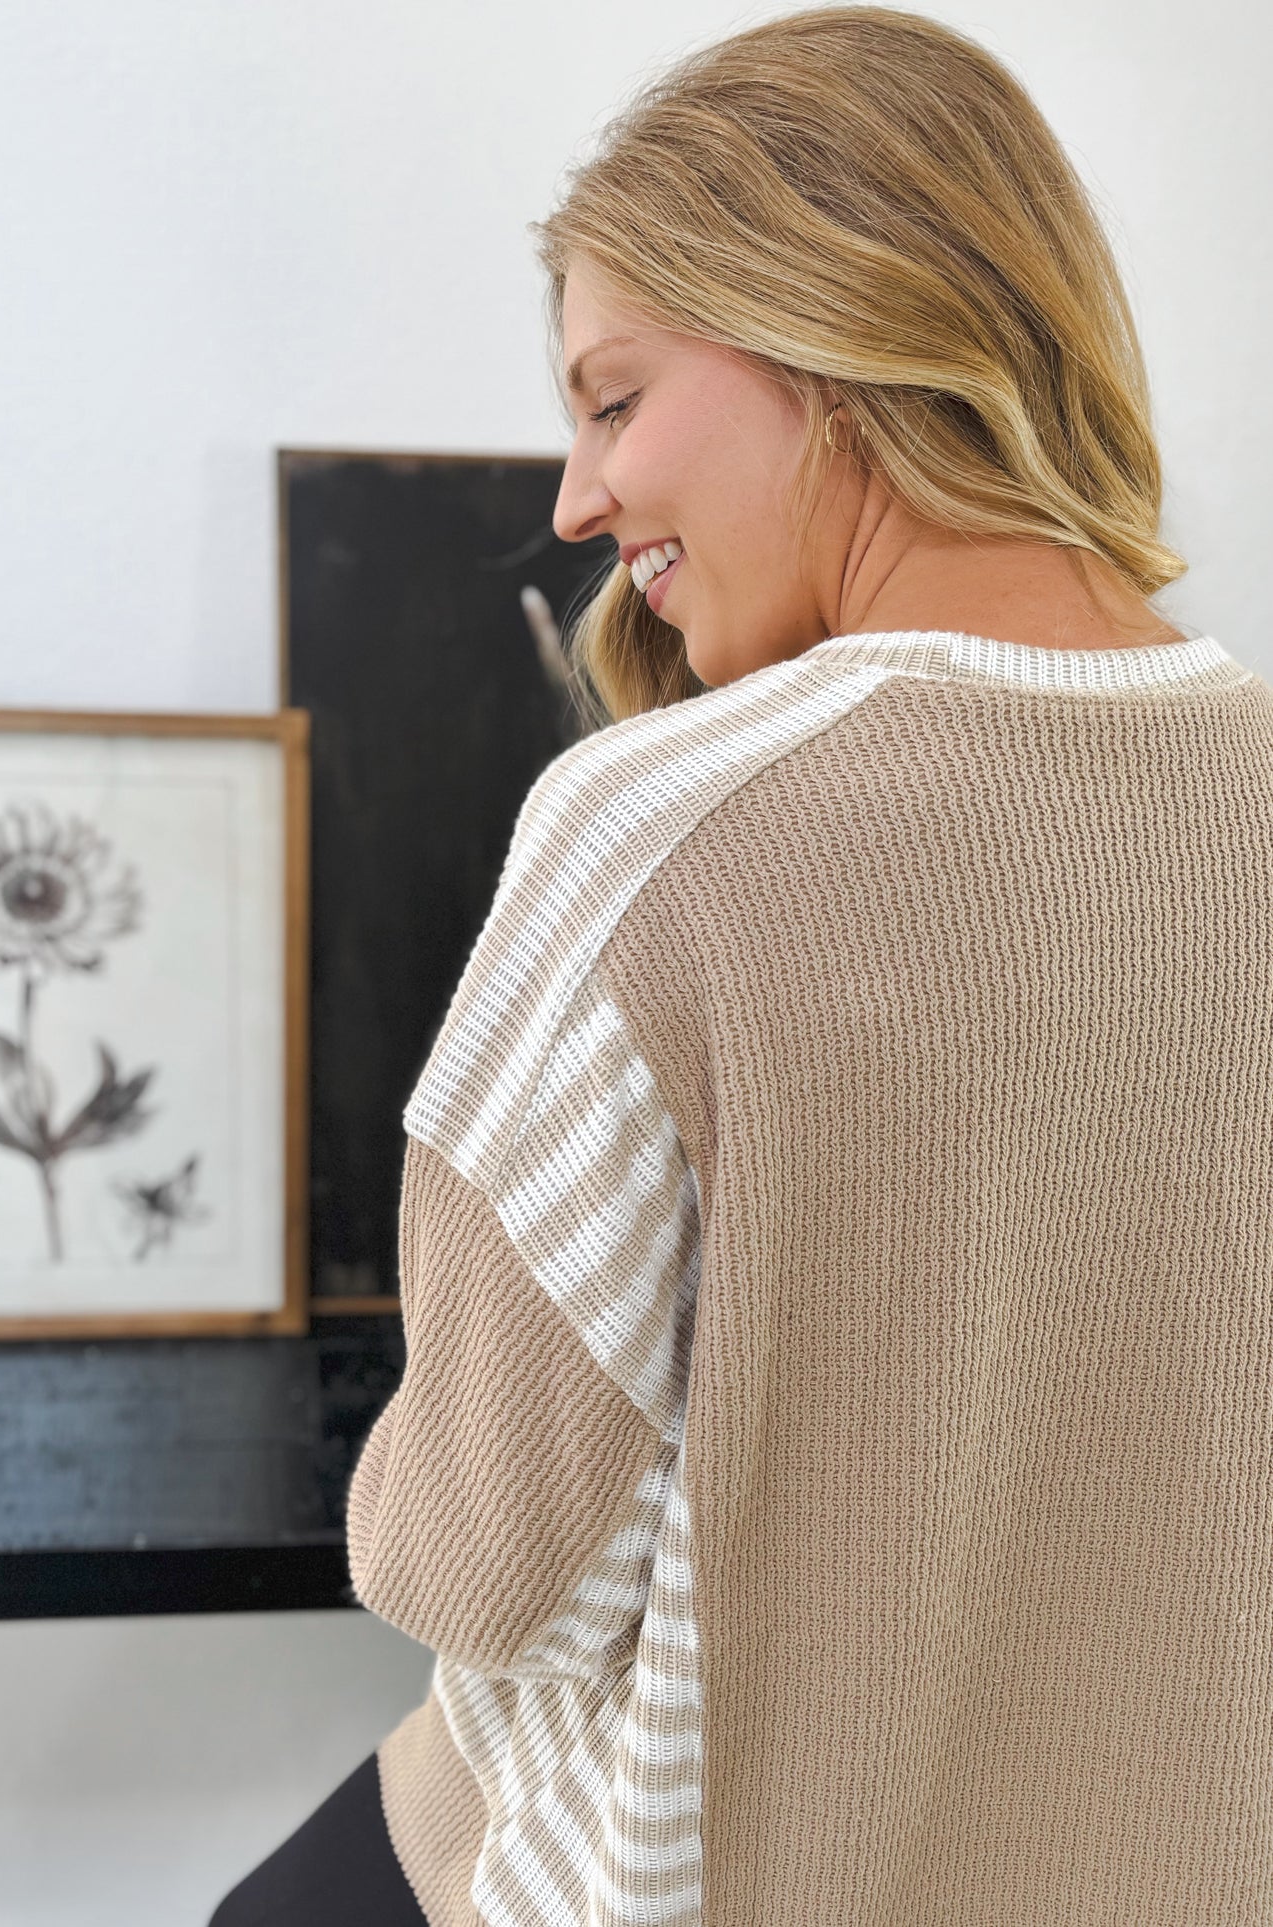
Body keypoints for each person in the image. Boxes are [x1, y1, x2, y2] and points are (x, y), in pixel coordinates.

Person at [210, 7, 1272, 1923]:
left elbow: (483, 1563)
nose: (574, 502)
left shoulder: (663, 825)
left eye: (612, 399)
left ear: (837, 324)